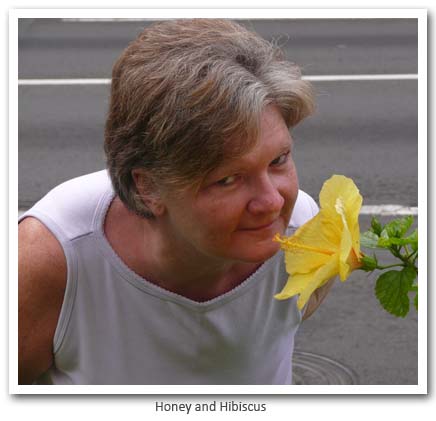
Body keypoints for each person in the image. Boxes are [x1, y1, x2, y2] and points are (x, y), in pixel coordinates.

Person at [18, 19, 334, 385]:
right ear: (148, 188)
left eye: (278, 161)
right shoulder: (53, 260)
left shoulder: (306, 231)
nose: (271, 203)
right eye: (227, 180)